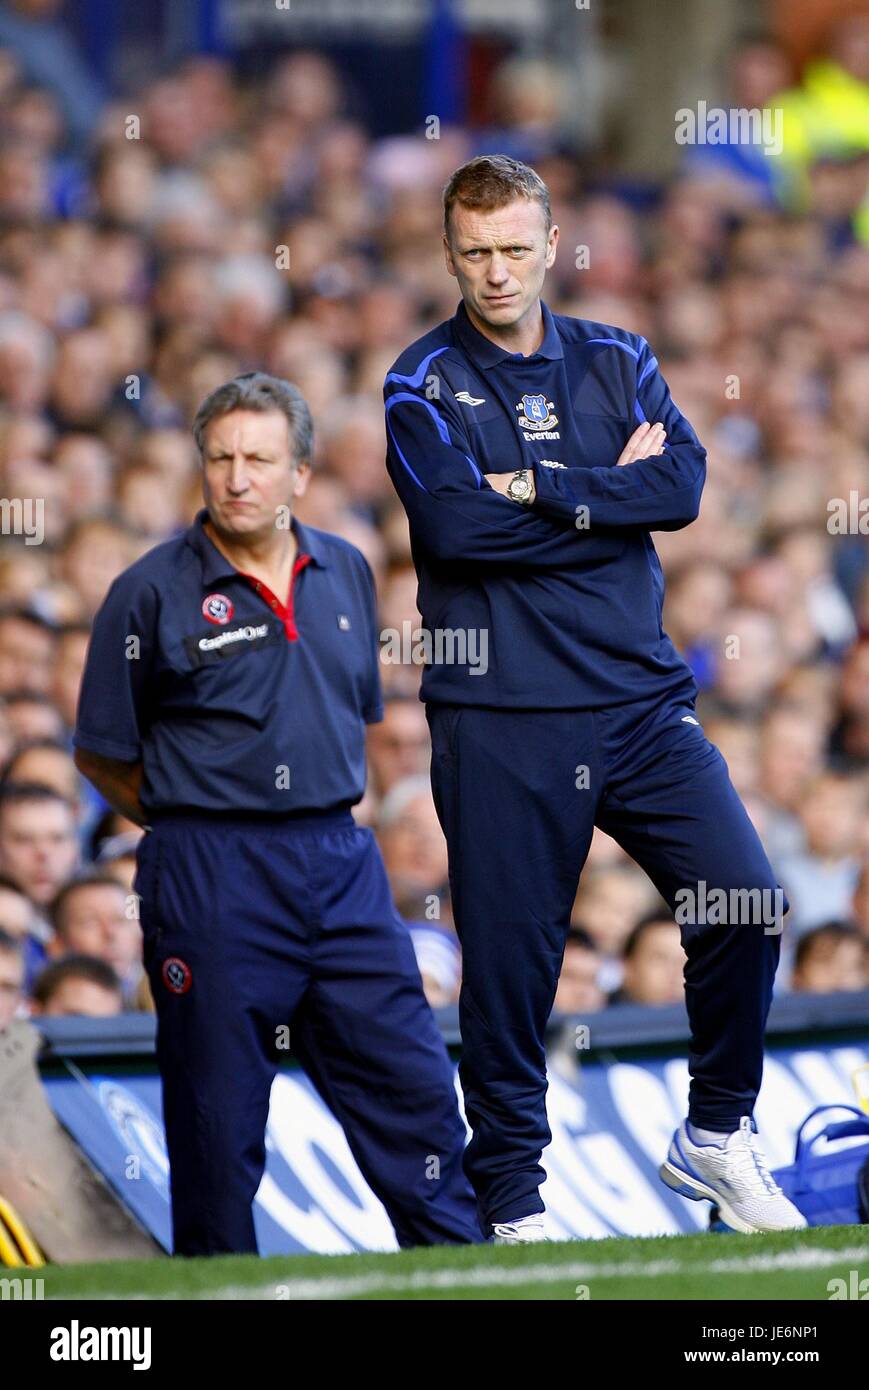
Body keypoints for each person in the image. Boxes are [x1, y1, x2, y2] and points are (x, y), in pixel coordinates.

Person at [385, 154, 806, 1242]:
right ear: (448, 253)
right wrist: (602, 499)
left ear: (550, 243)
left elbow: (680, 487)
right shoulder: (418, 382)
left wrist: (538, 488)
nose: (495, 271)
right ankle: (514, 1199)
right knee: (513, 966)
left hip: (635, 701)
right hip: (500, 713)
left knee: (744, 900)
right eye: (474, 250)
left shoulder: (616, 355)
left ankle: (715, 1131)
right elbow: (449, 529)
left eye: (514, 247)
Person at [73, 371, 482, 1256]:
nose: (237, 477)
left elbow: (351, 719)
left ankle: (464, 1272)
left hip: (340, 860)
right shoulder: (147, 593)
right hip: (210, 871)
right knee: (217, 1125)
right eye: (219, 458)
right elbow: (102, 753)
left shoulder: (346, 570)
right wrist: (197, 823)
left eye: (259, 458)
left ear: (300, 471)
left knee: (412, 1092)